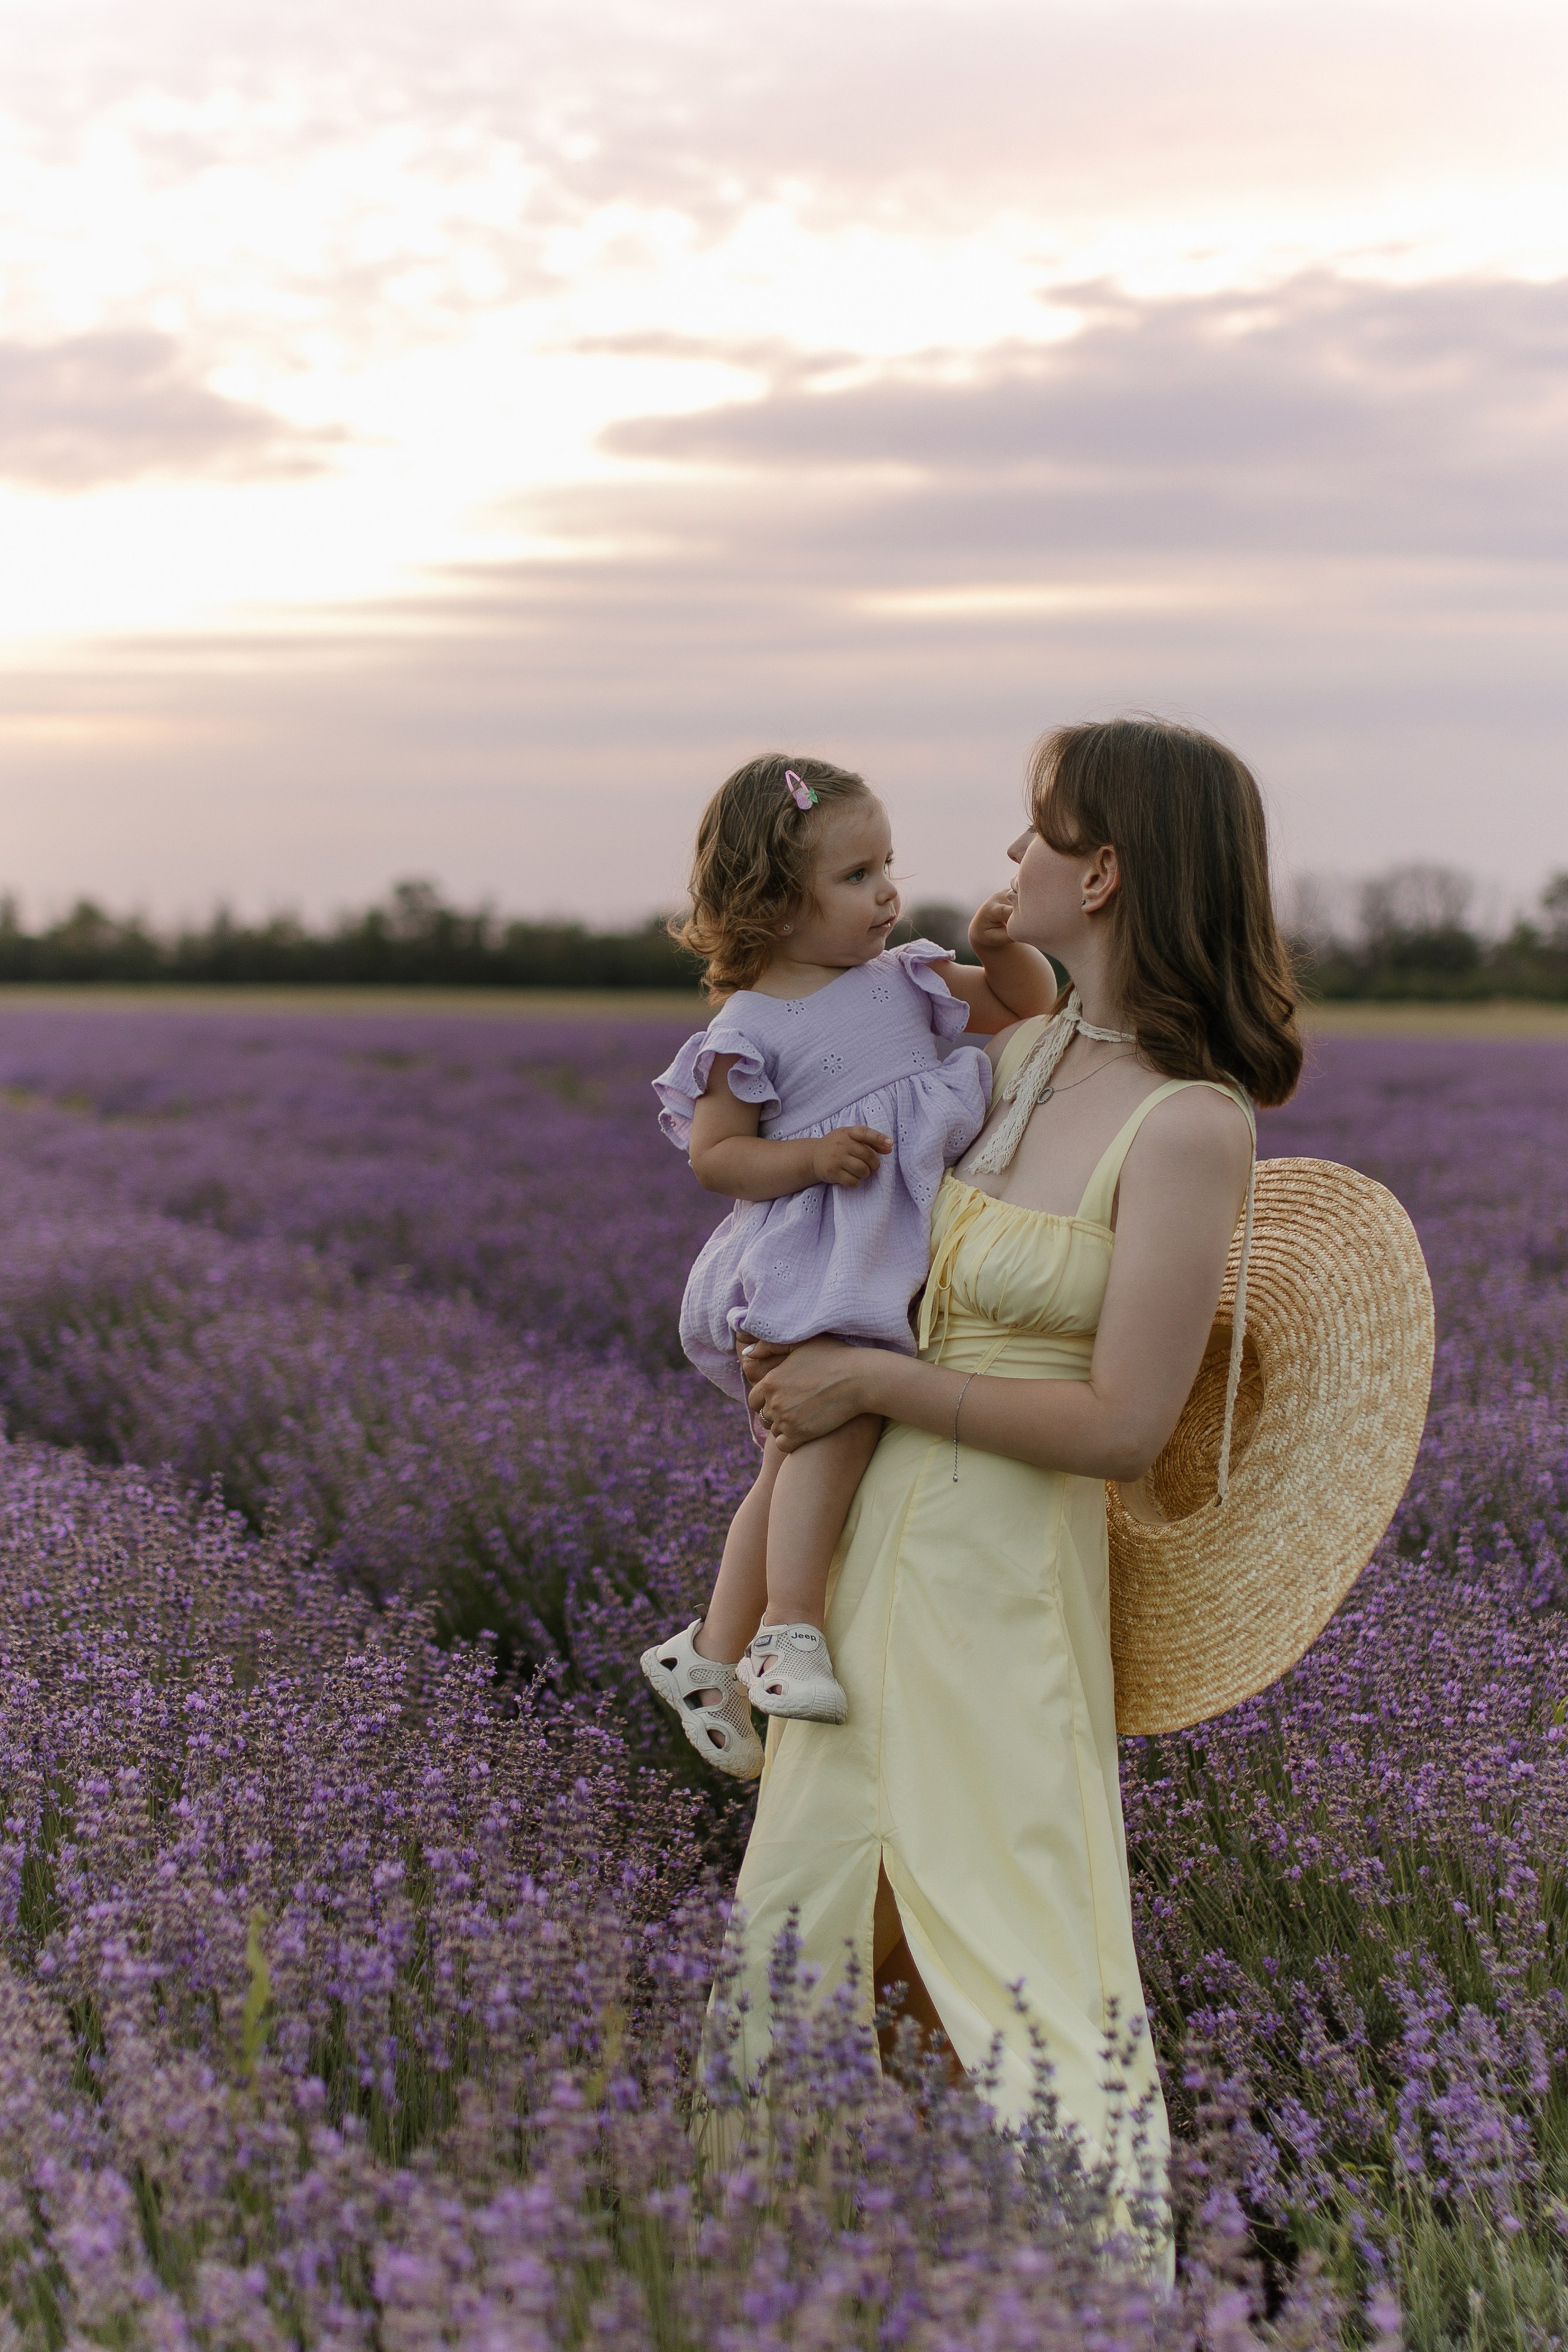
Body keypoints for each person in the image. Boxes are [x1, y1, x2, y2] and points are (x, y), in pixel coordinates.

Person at [723, 716, 1303, 2198]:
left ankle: (1089, 2290)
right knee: (804, 1934)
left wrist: (874, 1380)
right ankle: (782, 2259)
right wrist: (797, 1354)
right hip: (862, 1576)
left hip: (998, 1588)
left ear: (1101, 872)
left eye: (1036, 831)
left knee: (1023, 1956)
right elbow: (847, 1221)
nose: (1006, 856)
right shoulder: (1017, 1052)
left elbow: (1119, 1423)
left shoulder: (1187, 1126)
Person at [643, 752, 1058, 1777]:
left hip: (881, 1240)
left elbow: (1022, 1010)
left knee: (788, 1458)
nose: (887, 894)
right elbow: (715, 1156)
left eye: (887, 868)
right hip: (817, 1248)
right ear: (773, 907)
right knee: (836, 1417)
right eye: (856, 877)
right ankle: (789, 1628)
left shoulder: (904, 978)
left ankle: (708, 1651)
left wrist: (1003, 953)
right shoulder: (749, 1028)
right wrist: (810, 1159)